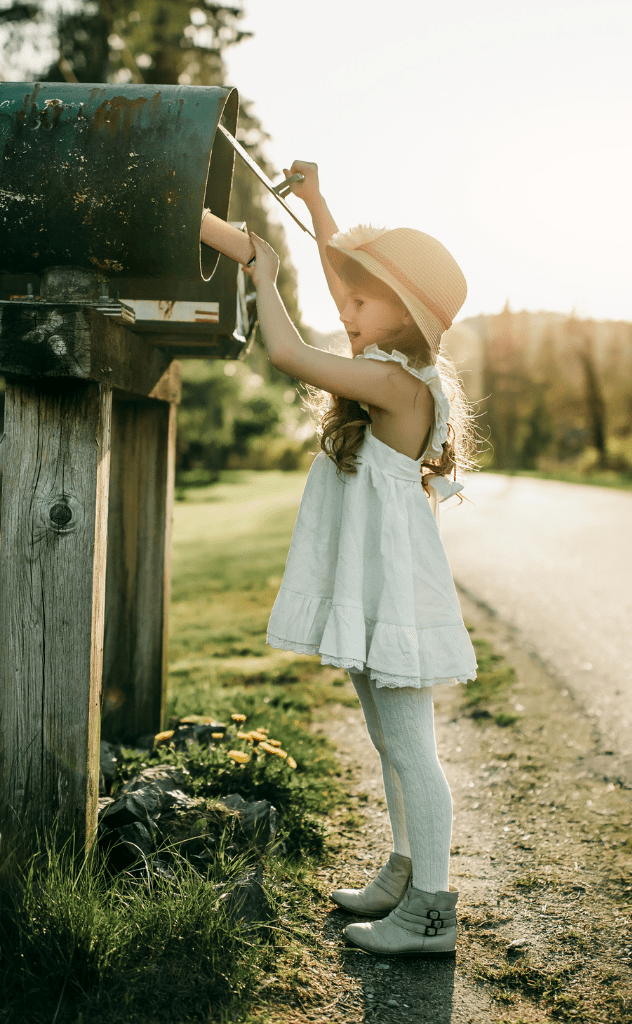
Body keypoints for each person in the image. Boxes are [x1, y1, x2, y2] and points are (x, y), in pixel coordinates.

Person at [244, 160, 478, 959]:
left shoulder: (395, 383)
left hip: (394, 594)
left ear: (406, 319)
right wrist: (314, 203)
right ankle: (407, 871)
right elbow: (353, 283)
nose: (345, 307)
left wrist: (263, 271)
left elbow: (285, 351)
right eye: (347, 297)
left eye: (364, 302)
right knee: (387, 742)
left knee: (414, 749)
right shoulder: (395, 365)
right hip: (371, 584)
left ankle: (433, 914)